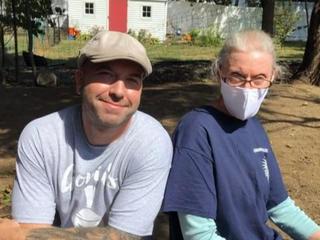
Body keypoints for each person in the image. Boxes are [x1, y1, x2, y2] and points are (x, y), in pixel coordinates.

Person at [0, 30, 173, 239]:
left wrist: (25, 236)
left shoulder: (151, 142)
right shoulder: (41, 137)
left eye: (132, 80)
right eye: (106, 75)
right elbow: (32, 229)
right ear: (79, 80)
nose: (119, 91)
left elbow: (126, 236)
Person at [162, 30, 320, 240]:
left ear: (272, 77)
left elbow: (280, 206)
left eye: (259, 79)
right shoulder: (197, 130)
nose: (248, 88)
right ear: (219, 72)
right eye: (237, 76)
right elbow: (198, 234)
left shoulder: (254, 126)